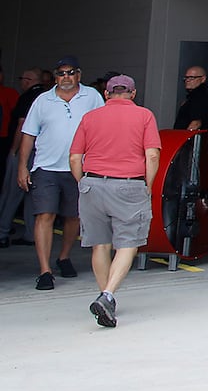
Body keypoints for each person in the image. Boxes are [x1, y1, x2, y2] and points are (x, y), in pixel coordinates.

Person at [68, 74, 159, 328]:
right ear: (133, 93)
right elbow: (151, 155)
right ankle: (107, 295)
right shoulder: (144, 116)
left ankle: (107, 296)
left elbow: (75, 158)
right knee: (128, 243)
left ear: (106, 94)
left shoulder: (90, 117)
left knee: (100, 245)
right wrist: (148, 186)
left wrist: (83, 183)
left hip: (92, 183)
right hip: (129, 184)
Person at [15, 56, 104, 290]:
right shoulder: (43, 100)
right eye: (61, 73)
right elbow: (29, 134)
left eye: (70, 72)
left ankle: (64, 256)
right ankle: (45, 270)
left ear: (79, 75)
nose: (66, 77)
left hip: (79, 168)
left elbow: (103, 128)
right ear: (54, 77)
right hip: (46, 167)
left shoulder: (92, 97)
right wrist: (22, 165)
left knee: (73, 216)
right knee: (45, 215)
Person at [0, 67, 51, 246]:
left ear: (28, 80)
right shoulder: (48, 97)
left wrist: (14, 151)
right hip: (42, 153)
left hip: (26, 151)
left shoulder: (27, 98)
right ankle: (31, 234)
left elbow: (23, 127)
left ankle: (2, 232)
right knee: (33, 197)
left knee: (11, 193)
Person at [173, 65, 208, 131]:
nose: (188, 80)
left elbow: (196, 123)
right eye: (186, 78)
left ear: (203, 79)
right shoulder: (202, 94)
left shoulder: (200, 94)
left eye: (192, 77)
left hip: (196, 139)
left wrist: (183, 138)